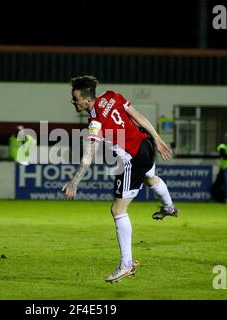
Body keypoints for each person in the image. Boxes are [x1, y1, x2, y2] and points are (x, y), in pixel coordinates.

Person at [62, 75, 179, 283]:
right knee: (150, 178)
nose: (73, 102)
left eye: (75, 98)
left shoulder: (95, 120)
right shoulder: (112, 96)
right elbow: (139, 117)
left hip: (132, 159)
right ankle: (169, 207)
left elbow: (89, 153)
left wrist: (74, 181)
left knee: (117, 210)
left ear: (87, 101)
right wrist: (157, 139)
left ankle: (126, 265)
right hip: (146, 145)